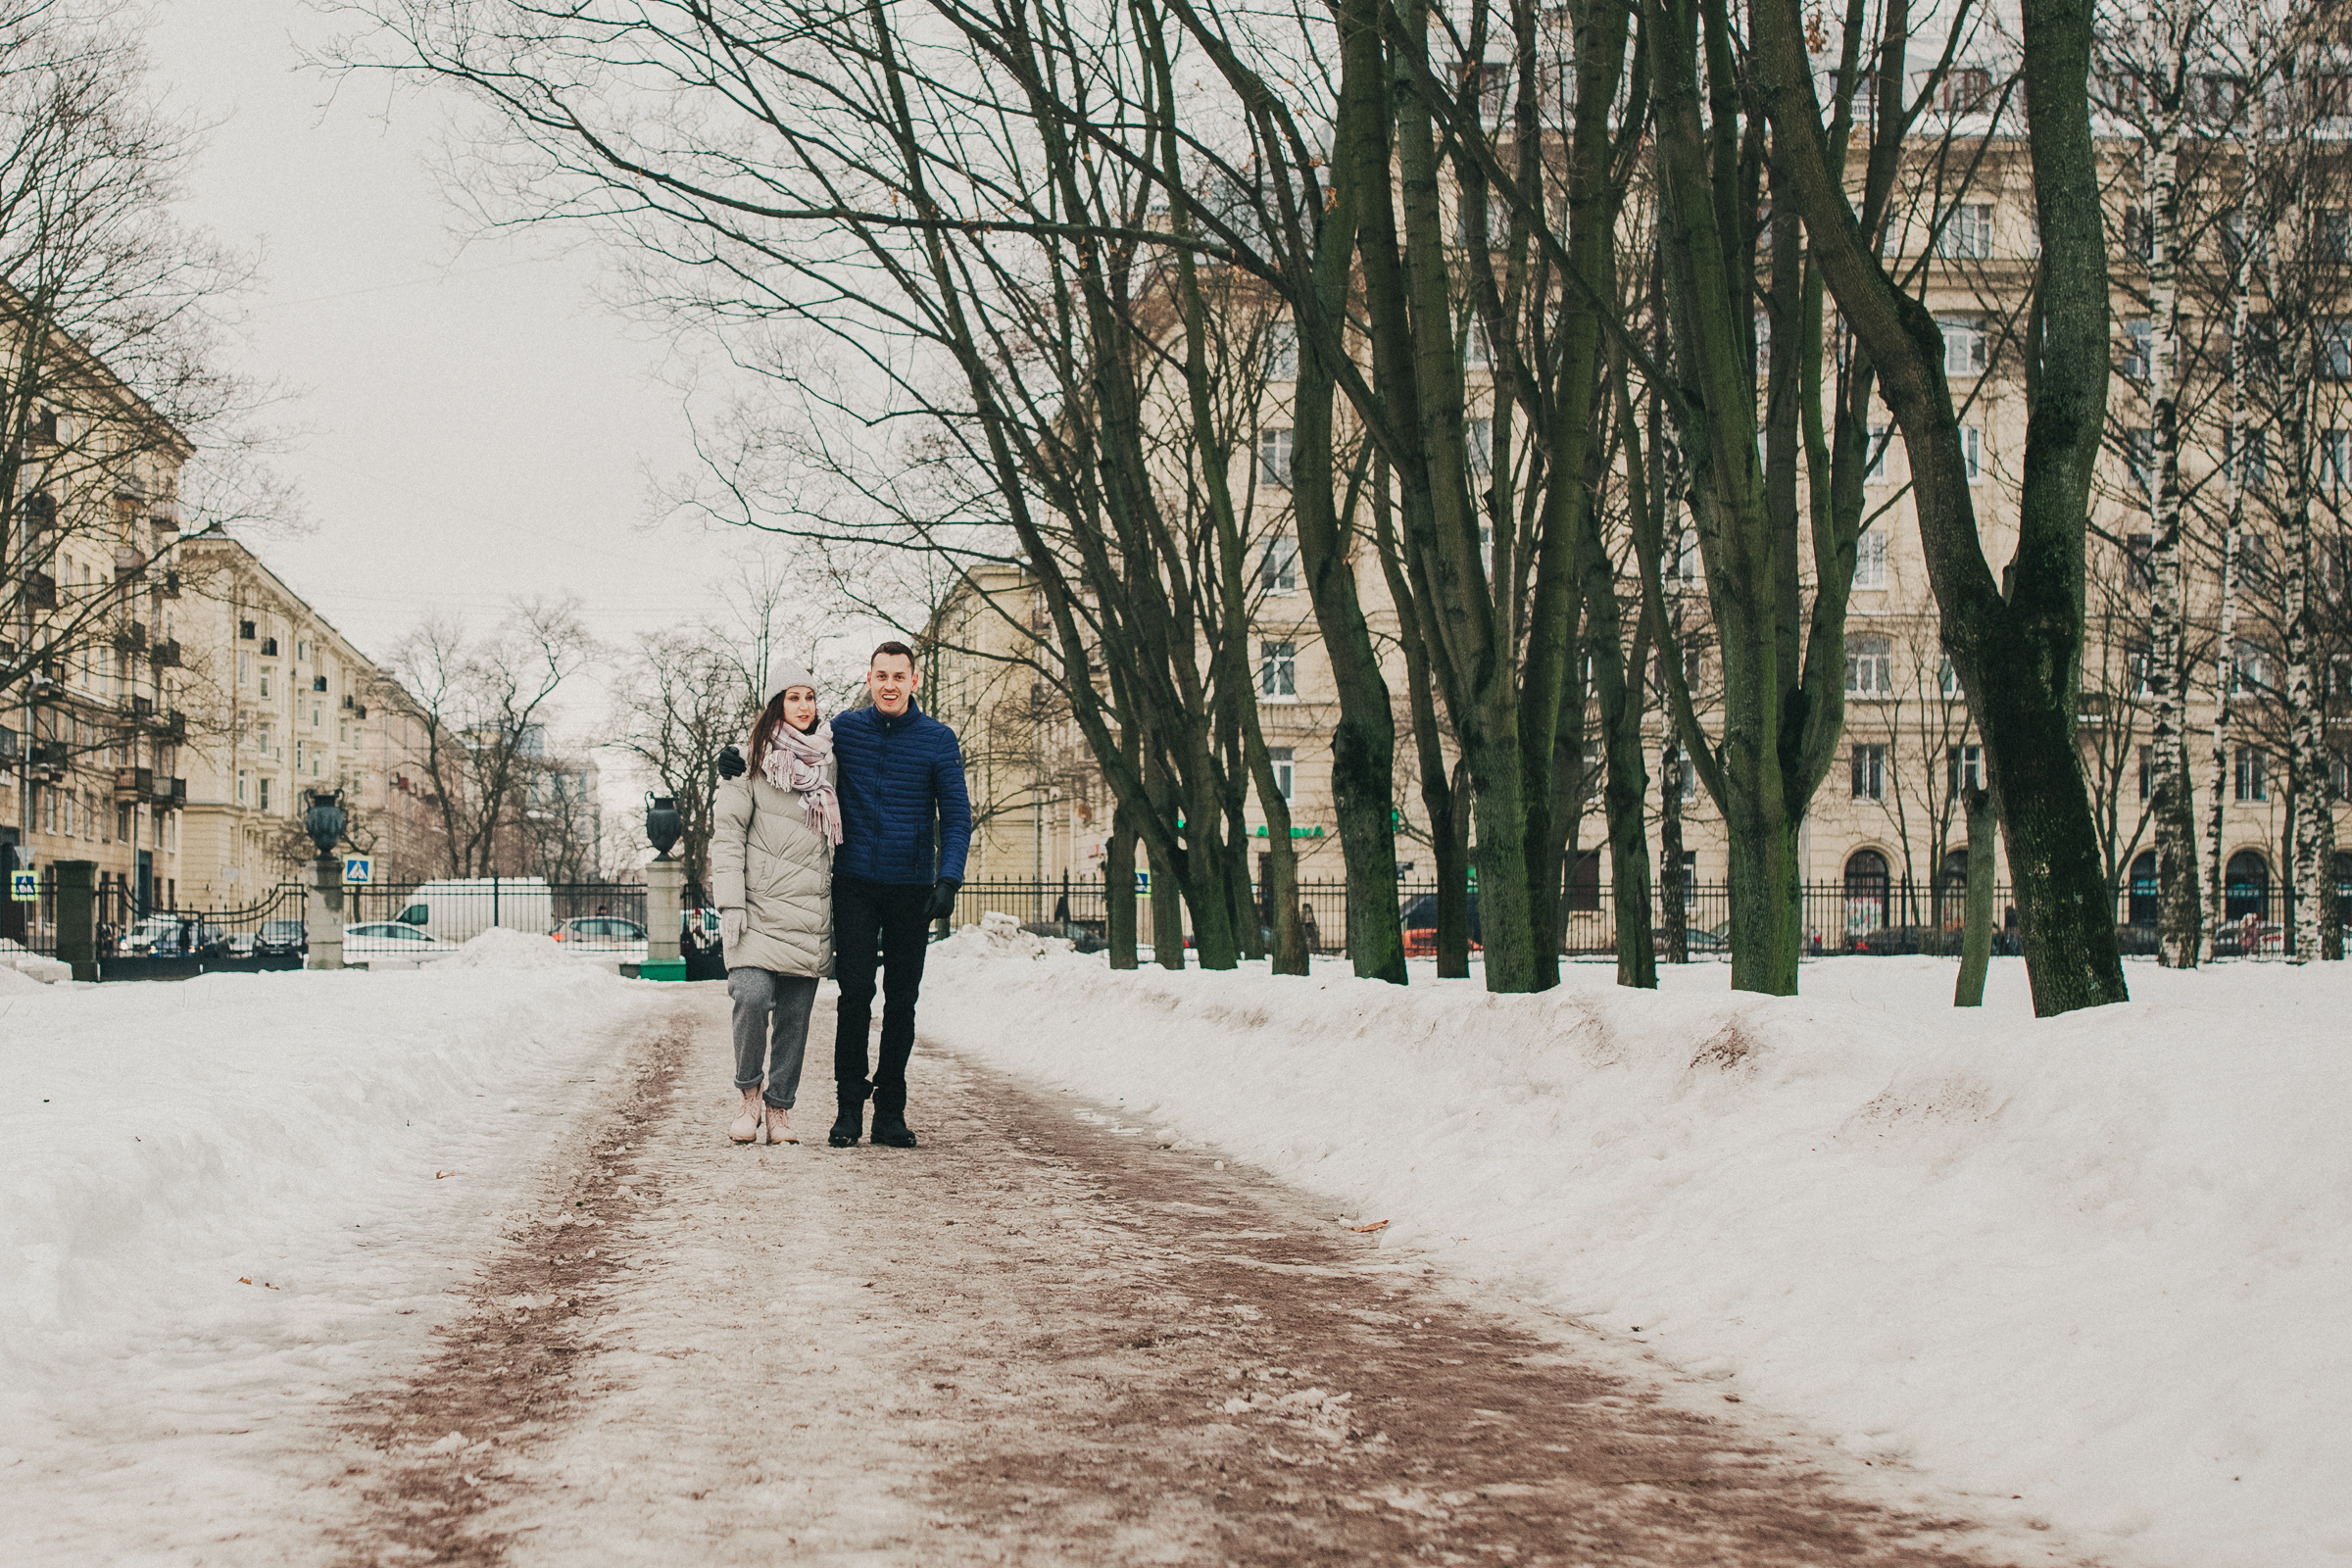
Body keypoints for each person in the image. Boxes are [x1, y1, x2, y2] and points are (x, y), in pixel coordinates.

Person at [720, 640, 970, 1149]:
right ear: (869, 678)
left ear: (914, 682)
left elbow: (958, 817)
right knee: (855, 998)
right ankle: (849, 1109)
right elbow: (788, 743)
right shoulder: (845, 732)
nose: (890, 685)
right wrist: (733, 757)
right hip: (854, 884)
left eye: (899, 676)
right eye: (881, 676)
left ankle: (891, 1111)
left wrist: (948, 880)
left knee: (903, 1000)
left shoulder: (938, 740)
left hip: (912, 888)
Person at [710, 670, 840, 1148]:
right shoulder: (747, 764)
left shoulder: (830, 761)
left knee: (795, 1017)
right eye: (793, 697)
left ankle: (779, 1108)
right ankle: (749, 1096)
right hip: (757, 911)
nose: (803, 705)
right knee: (749, 995)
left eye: (810, 697)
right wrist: (730, 903)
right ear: (775, 705)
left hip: (808, 912)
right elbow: (727, 838)